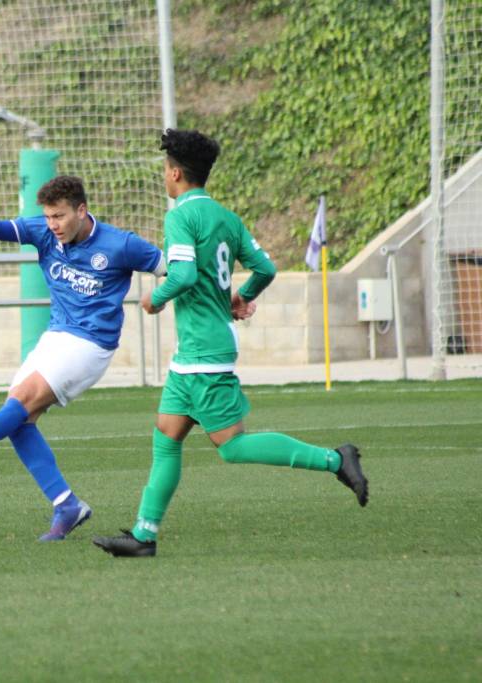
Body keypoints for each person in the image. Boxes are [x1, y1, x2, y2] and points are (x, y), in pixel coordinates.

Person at [92, 129, 368, 558]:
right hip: (196, 353)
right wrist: (239, 296)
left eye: (166, 171)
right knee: (166, 435)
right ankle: (143, 536)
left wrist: (155, 300)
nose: (164, 177)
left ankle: (337, 460)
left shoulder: (181, 215)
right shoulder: (226, 217)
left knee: (233, 447)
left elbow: (181, 276)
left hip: (204, 352)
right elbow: (266, 268)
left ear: (177, 173)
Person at [0, 175, 166, 540]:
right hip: (56, 336)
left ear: (81, 210)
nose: (52, 225)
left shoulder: (120, 244)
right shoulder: (44, 231)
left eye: (59, 216)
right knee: (19, 420)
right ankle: (66, 504)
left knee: (19, 404)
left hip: (91, 344)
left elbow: (171, 269)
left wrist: (178, 297)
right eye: (47, 217)